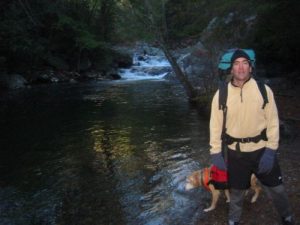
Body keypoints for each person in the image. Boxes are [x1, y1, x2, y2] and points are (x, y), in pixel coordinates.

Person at [209, 49, 295, 225]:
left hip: (262, 150)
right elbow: (215, 126)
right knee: (237, 192)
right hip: (235, 154)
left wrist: (271, 151)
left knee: (277, 189)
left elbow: (272, 122)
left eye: (245, 63)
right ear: (231, 69)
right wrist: (215, 153)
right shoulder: (221, 94)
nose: (241, 67)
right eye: (236, 63)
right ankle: (234, 220)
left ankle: (287, 216)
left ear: (250, 67)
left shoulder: (264, 91)